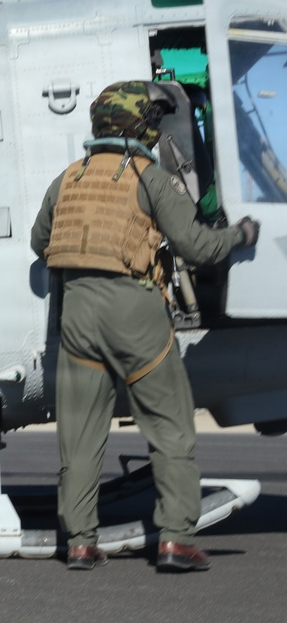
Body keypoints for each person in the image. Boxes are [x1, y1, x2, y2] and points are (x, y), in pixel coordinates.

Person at [29, 80, 260, 573]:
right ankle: (176, 539)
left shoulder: (68, 177)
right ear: (141, 126)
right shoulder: (148, 176)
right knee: (171, 426)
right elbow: (197, 246)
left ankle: (81, 541)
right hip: (133, 312)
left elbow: (40, 241)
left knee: (80, 434)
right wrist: (240, 234)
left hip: (77, 315)